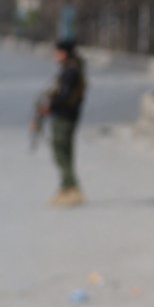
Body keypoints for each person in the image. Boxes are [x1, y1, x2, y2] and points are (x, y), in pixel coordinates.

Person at [41, 39, 87, 206]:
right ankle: (66, 187)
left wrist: (50, 107)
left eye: (58, 52)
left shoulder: (70, 72)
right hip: (65, 115)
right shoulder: (71, 69)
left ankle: (72, 187)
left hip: (65, 117)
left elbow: (65, 96)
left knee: (62, 153)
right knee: (64, 152)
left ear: (65, 53)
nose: (55, 55)